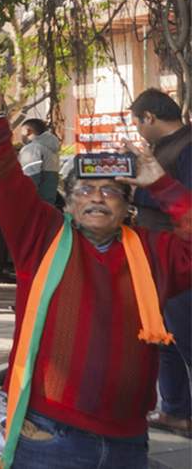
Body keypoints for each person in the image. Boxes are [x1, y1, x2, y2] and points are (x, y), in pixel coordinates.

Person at [0, 57, 190, 469]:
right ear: (68, 202)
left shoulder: (152, 250)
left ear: (128, 207)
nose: (98, 197)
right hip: (51, 436)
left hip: (128, 442)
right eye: (85, 188)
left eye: (112, 191)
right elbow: (2, 177)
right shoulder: (43, 236)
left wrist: (160, 182)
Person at [128, 88, 192, 435]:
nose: (138, 129)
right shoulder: (164, 147)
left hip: (182, 256)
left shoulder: (187, 145)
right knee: (164, 336)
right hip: (157, 256)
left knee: (186, 335)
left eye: (137, 122)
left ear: (149, 118)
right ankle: (176, 410)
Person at [17, 119, 61, 206]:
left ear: (26, 131)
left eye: (21, 131)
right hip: (48, 202)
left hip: (35, 205)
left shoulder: (33, 148)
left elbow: (31, 178)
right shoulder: (51, 149)